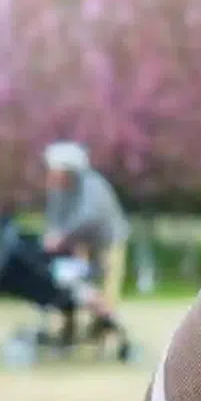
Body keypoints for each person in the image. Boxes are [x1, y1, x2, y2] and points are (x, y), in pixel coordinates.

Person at [42, 141, 130, 340]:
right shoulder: (59, 189)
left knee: (105, 292)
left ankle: (105, 334)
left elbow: (89, 216)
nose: (51, 174)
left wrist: (63, 236)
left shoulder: (92, 185)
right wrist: (52, 234)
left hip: (108, 242)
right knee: (73, 288)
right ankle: (69, 331)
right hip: (81, 245)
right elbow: (54, 217)